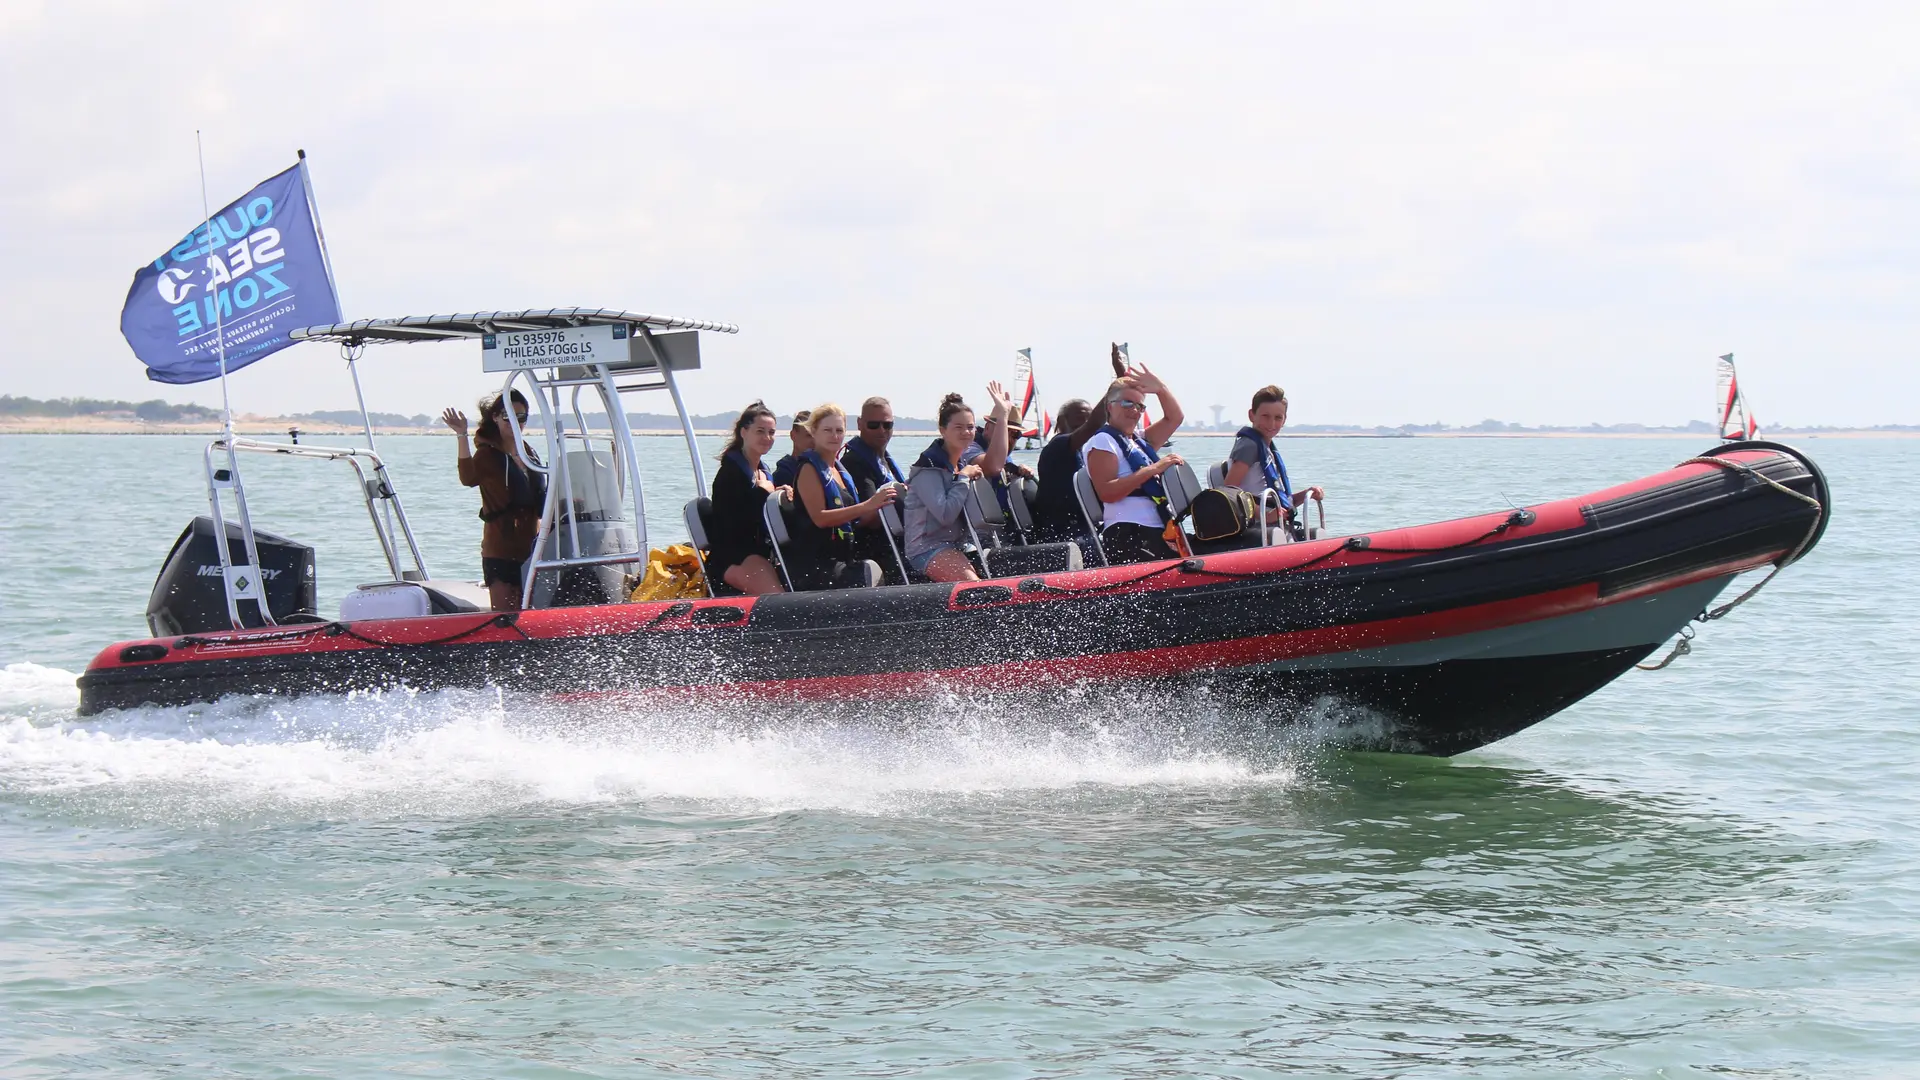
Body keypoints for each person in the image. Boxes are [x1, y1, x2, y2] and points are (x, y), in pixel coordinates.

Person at [442, 390, 546, 611]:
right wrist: (462, 435)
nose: (515, 422)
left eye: (521, 417)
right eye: (507, 416)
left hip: (532, 546)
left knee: (532, 611)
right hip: (501, 547)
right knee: (506, 616)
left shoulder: (529, 454)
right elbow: (467, 477)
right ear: (495, 418)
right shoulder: (488, 454)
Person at [904, 385, 1014, 582]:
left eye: (971, 427)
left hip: (958, 544)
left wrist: (1003, 415)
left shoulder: (960, 462)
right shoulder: (928, 469)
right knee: (974, 588)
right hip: (927, 548)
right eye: (958, 427)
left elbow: (996, 464)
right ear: (942, 430)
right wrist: (963, 478)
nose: (966, 432)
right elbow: (945, 514)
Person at [1082, 365, 1187, 564]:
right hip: (1129, 532)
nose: (1134, 410)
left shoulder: (1140, 441)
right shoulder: (1102, 442)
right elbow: (1107, 492)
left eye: (1140, 406)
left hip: (1159, 529)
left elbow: (1175, 418)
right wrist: (1154, 469)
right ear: (1110, 406)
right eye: (1127, 403)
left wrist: (1160, 389)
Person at [789, 404, 900, 590]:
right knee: (867, 574)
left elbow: (856, 518)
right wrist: (868, 505)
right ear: (814, 432)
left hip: (844, 557)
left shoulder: (839, 470)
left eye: (839, 430)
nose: (834, 436)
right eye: (827, 430)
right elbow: (820, 518)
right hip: (817, 563)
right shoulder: (809, 469)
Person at [705, 401, 788, 595]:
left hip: (759, 553)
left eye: (772, 432)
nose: (767, 437)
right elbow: (733, 526)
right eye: (760, 431)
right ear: (744, 432)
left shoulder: (763, 472)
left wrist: (778, 495)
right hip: (732, 557)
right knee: (780, 602)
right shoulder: (730, 474)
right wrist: (762, 494)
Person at [1223, 385, 1324, 537]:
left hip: (1276, 524)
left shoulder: (1267, 449)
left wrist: (1308, 493)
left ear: (1284, 420)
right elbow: (1228, 492)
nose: (1271, 424)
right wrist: (1263, 515)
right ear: (1252, 415)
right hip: (1260, 528)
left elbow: (1283, 502)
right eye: (1265, 416)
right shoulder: (1249, 446)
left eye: (1278, 418)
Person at [840, 396, 909, 577]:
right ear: (860, 424)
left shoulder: (884, 460)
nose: (881, 431)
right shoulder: (854, 463)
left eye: (887, 425)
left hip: (900, 542)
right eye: (873, 425)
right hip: (875, 549)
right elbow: (869, 519)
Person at [769, 409, 812, 489]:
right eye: (808, 435)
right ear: (793, 435)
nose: (814, 441)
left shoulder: (821, 469)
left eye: (816, 435)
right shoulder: (783, 474)